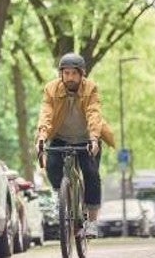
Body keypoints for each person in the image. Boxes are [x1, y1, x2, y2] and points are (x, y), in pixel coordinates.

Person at [35, 52, 115, 238]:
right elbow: (45, 114)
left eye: (74, 73)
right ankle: (61, 197)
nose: (70, 77)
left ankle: (92, 223)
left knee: (91, 174)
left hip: (87, 138)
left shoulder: (91, 88)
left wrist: (94, 138)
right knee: (52, 166)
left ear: (81, 74)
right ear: (61, 74)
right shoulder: (51, 89)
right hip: (60, 137)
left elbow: (94, 114)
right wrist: (41, 137)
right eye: (66, 73)